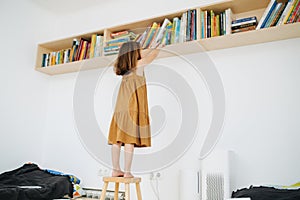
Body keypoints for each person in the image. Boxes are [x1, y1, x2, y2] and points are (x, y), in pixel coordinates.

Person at [108, 41, 160, 178]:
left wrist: (129, 53)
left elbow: (124, 59)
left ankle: (115, 169)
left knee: (117, 141)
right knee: (129, 140)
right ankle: (127, 172)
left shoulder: (120, 69)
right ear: (136, 53)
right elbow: (154, 53)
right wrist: (156, 44)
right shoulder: (139, 65)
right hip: (132, 108)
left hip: (119, 109)